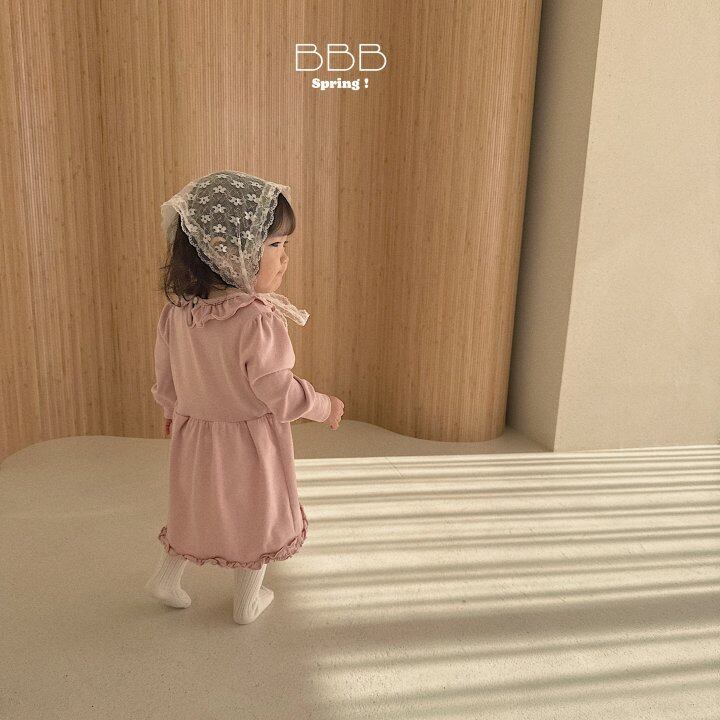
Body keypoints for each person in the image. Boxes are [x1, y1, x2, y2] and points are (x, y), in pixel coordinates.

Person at [143, 170, 344, 624]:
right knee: (257, 515)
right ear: (229, 250)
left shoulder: (179, 311)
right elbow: (279, 392)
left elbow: (166, 373)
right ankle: (246, 601)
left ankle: (166, 578)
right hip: (250, 443)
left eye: (285, 245)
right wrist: (324, 406)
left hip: (195, 436)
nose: (285, 258)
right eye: (275, 245)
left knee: (195, 509)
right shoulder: (256, 320)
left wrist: (171, 409)